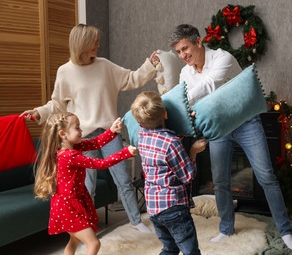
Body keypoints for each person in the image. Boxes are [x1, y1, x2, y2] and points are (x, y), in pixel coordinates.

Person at [168, 24, 292, 251]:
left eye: (185, 48)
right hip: (220, 128)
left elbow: (208, 86)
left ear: (199, 42)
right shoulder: (185, 72)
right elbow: (186, 98)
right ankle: (226, 228)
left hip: (246, 124)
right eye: (178, 52)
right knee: (220, 181)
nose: (183, 56)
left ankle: (285, 231)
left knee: (266, 176)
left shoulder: (223, 58)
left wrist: (185, 101)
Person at [22, 24, 160, 233]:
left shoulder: (105, 66)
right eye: (94, 42)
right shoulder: (65, 72)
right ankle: (87, 229)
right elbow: (57, 104)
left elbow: (132, 78)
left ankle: (136, 221)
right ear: (82, 44)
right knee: (87, 187)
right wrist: (38, 112)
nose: (98, 45)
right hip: (81, 136)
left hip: (109, 133)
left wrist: (150, 65)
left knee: (123, 180)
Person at [34, 112, 138, 255]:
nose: (81, 131)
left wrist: (111, 131)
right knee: (94, 244)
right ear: (63, 134)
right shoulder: (69, 156)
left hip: (70, 202)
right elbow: (101, 164)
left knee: (74, 241)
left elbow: (95, 142)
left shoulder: (75, 147)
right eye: (77, 128)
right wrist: (125, 153)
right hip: (68, 206)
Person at [130, 91, 207, 255]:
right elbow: (188, 176)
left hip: (153, 207)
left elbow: (160, 135)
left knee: (170, 249)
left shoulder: (141, 134)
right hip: (173, 207)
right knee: (190, 250)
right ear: (165, 114)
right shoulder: (171, 143)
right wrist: (193, 151)